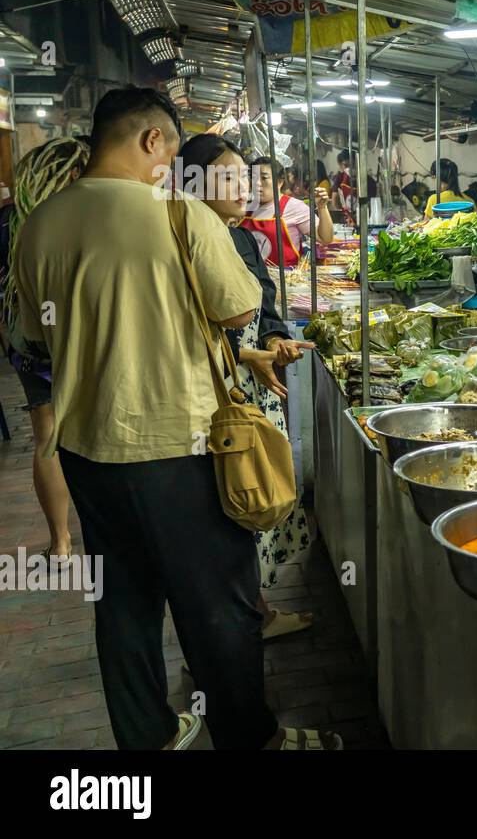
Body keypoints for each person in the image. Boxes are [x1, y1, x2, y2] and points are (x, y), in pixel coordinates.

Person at [15, 87, 340, 750]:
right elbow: (238, 311)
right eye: (169, 149)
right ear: (150, 141)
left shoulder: (39, 226)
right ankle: (253, 740)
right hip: (179, 447)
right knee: (218, 606)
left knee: (124, 602)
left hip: (88, 453)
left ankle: (150, 738)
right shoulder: (179, 214)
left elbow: (33, 339)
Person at [177, 134, 317, 639]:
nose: (246, 186)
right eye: (230, 176)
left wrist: (275, 336)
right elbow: (187, 330)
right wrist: (244, 354)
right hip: (219, 396)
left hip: (253, 388)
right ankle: (235, 625)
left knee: (259, 485)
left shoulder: (239, 238)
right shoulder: (185, 239)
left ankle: (255, 609)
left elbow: (265, 296)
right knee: (232, 497)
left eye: (247, 175)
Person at [1, 137, 89, 565]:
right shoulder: (77, 221)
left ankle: (60, 541)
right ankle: (102, 527)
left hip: (28, 346)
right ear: (71, 175)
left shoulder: (10, 221)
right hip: (78, 341)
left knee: (46, 437)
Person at [245, 154, 334, 267]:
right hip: (249, 279)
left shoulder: (294, 207)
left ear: (279, 182)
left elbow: (325, 238)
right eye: (253, 177)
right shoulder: (243, 207)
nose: (257, 183)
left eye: (264, 178)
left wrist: (322, 208)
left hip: (284, 281)